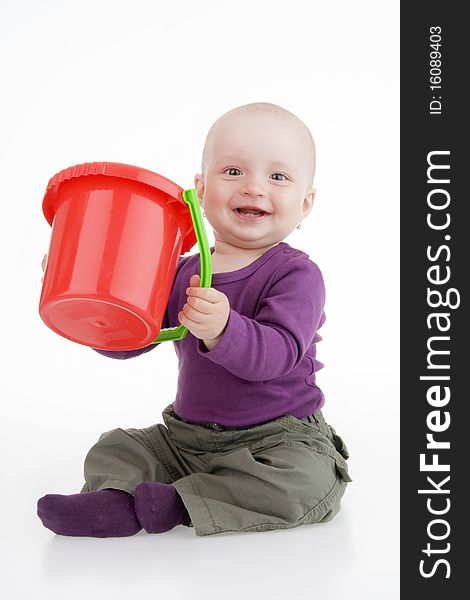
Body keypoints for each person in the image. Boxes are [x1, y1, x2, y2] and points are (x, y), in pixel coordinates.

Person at [37, 102, 351, 538]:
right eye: (233, 172)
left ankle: (178, 505)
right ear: (200, 192)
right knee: (117, 446)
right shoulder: (181, 270)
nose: (254, 188)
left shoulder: (296, 274)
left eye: (277, 177)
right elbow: (135, 338)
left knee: (309, 483)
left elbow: (278, 355)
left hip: (279, 440)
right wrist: (94, 302)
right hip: (188, 438)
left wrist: (226, 328)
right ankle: (118, 502)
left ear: (306, 202)